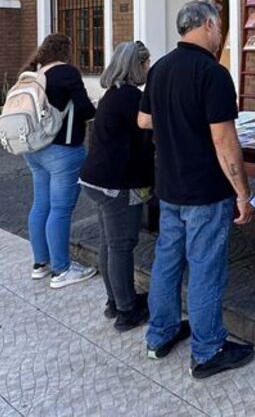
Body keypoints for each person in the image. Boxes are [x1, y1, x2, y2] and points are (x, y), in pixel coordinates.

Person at [138, 0, 255, 378]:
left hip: (169, 186)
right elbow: (224, 141)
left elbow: (144, 119)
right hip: (206, 190)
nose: (220, 33)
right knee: (206, 269)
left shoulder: (159, 69)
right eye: (218, 26)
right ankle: (207, 351)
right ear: (207, 24)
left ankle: (161, 334)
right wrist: (242, 191)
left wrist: (176, 126)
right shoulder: (213, 73)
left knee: (167, 263)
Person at [79, 41, 154, 332]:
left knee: (109, 243)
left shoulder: (113, 94)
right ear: (138, 65)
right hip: (117, 184)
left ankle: (115, 300)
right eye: (147, 64)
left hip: (95, 179)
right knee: (122, 245)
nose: (149, 69)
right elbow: (149, 130)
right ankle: (126, 310)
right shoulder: (131, 98)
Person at [21, 33, 97, 288]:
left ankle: (40, 264)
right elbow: (86, 110)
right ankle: (62, 270)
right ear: (66, 51)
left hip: (33, 149)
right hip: (62, 150)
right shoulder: (67, 73)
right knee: (60, 209)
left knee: (41, 204)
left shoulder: (33, 74)